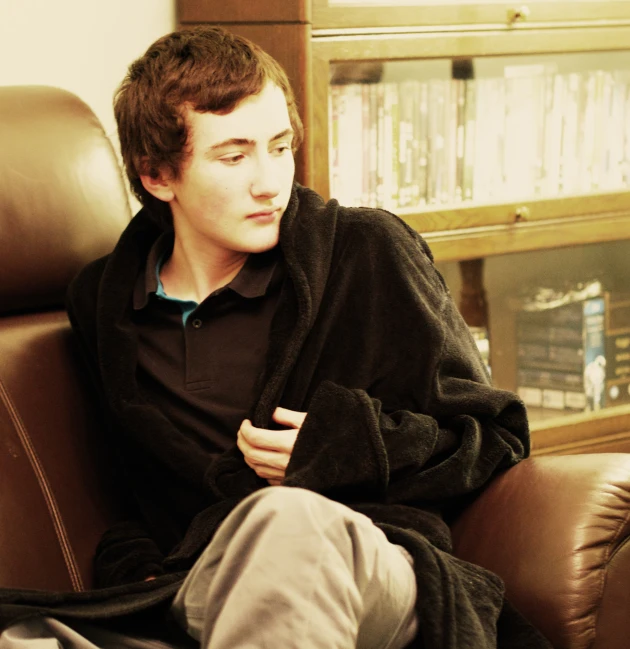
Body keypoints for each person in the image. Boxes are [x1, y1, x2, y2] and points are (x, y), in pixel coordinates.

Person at [0, 26, 551, 649]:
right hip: (206, 579)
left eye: (280, 147)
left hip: (365, 560)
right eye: (235, 157)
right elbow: (132, 491)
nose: (270, 182)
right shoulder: (104, 303)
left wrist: (349, 450)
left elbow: (498, 438)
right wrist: (140, 565)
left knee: (283, 521)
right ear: (157, 176)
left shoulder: (366, 253)